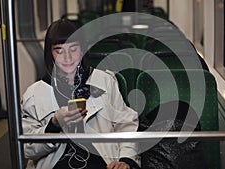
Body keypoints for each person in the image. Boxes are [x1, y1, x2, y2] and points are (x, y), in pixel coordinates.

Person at [21, 19, 140, 169]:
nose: (68, 57)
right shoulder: (34, 94)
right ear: (49, 53)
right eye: (59, 50)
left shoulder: (104, 81)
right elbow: (27, 149)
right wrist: (53, 126)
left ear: (82, 49)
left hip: (102, 161)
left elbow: (126, 124)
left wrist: (126, 160)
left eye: (73, 49)